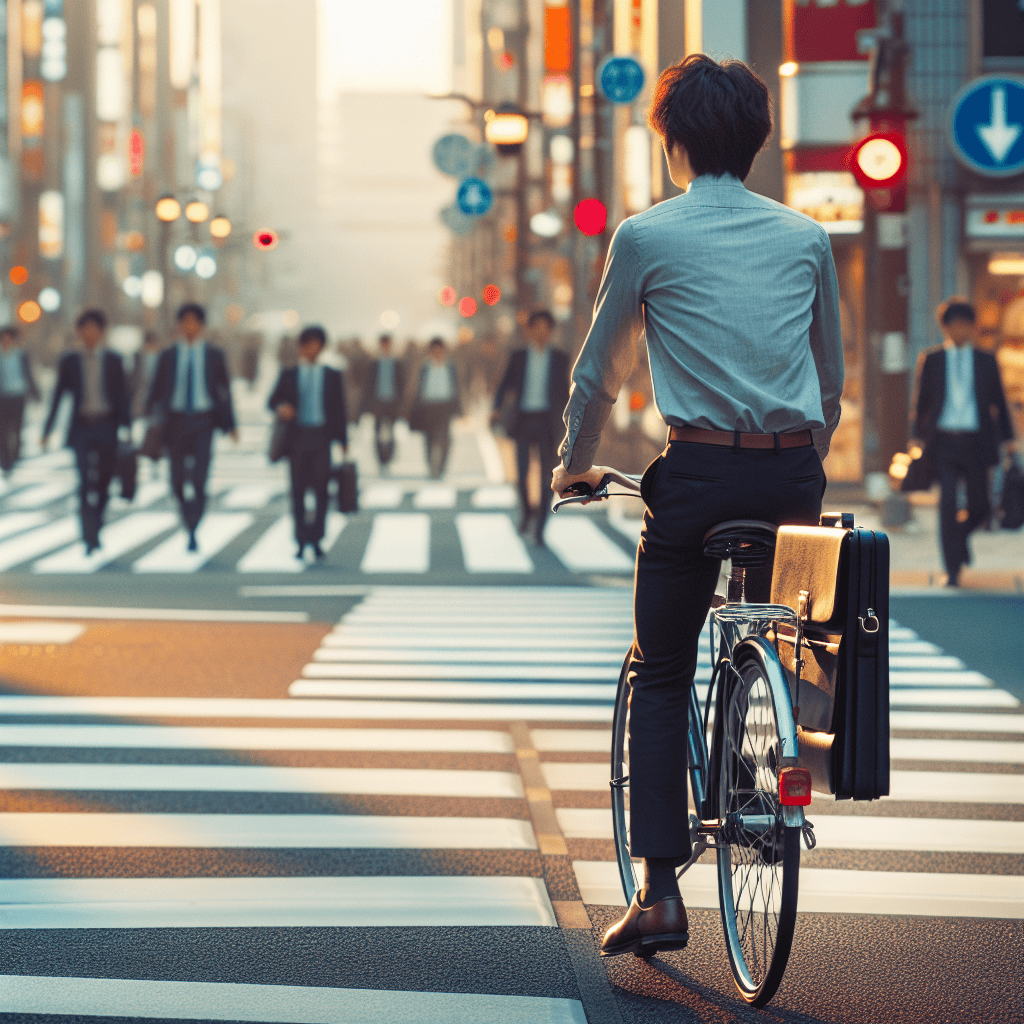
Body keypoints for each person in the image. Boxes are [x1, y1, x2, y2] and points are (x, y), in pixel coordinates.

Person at [550, 54, 843, 957]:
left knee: (662, 668)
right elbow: (829, 382)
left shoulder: (647, 237)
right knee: (777, 631)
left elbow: (600, 372)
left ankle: (662, 891)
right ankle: (766, 743)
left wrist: (575, 466)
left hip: (698, 478)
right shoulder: (806, 237)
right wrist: (801, 457)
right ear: (756, 143)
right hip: (792, 478)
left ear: (672, 142)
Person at [912, 299, 1014, 586]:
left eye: (964, 325)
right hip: (942, 442)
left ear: (972, 327)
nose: (959, 331)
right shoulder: (932, 359)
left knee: (981, 507)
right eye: (953, 326)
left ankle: (960, 540)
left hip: (976, 442)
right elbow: (921, 404)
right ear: (944, 327)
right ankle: (953, 569)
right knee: (946, 505)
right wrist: (916, 440)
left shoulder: (986, 360)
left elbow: (999, 404)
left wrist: (1009, 441)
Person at [146, 303, 237, 551]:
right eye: (184, 321)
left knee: (199, 478)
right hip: (174, 422)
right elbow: (155, 390)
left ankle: (193, 523)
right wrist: (148, 418)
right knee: (176, 480)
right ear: (178, 325)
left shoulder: (213, 354)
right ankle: (186, 515)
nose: (189, 326)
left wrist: (232, 424)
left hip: (203, 421)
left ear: (201, 325)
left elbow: (224, 390)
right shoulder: (168, 355)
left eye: (194, 322)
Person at [41, 309, 130, 553]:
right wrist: (47, 429)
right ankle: (87, 532)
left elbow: (123, 396)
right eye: (85, 329)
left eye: (95, 329)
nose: (90, 333)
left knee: (103, 480)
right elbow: (58, 395)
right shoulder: (70, 360)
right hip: (81, 427)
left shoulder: (113, 359)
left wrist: (127, 427)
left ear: (101, 332)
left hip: (106, 425)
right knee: (83, 480)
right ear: (79, 332)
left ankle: (97, 523)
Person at [268, 324, 348, 560]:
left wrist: (343, 440)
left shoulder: (332, 376)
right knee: (298, 491)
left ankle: (318, 538)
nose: (310, 349)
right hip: (297, 439)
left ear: (321, 348)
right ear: (300, 348)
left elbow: (339, 410)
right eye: (306, 345)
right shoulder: (289, 374)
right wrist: (281, 407)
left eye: (315, 345)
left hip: (322, 438)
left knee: (322, 491)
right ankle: (301, 539)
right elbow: (272, 400)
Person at [492, 310, 570, 544]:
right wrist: (496, 408)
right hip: (523, 420)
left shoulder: (560, 358)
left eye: (546, 327)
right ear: (529, 330)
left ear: (551, 330)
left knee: (547, 475)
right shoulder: (518, 356)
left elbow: (566, 391)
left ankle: (541, 527)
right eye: (537, 327)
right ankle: (527, 512)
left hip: (547, 421)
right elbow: (504, 383)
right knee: (522, 472)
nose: (541, 331)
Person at [411, 336, 460, 479]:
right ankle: (430, 466)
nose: (437, 353)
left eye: (440, 350)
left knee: (444, 438)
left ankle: (442, 466)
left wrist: (458, 407)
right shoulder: (424, 367)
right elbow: (418, 387)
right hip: (428, 406)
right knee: (429, 438)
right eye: (434, 351)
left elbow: (457, 387)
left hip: (445, 406)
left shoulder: (450, 366)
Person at [0, 325, 41, 475]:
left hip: (18, 396)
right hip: (2, 397)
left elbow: (28, 374)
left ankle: (16, 454)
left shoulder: (21, 355)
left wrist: (36, 393)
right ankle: (5, 459)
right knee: (3, 429)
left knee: (17, 427)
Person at [362, 333, 405, 470]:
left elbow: (401, 384)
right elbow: (369, 385)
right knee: (377, 432)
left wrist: (402, 403)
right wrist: (367, 405)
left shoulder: (397, 363)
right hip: (378, 402)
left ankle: (389, 456)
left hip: (392, 402)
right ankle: (380, 458)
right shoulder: (374, 363)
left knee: (391, 431)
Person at [130, 331, 163, 420]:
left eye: (153, 343)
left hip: (156, 397)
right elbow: (132, 377)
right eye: (149, 343)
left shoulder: (161, 358)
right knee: (138, 421)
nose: (151, 345)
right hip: (140, 395)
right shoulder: (137, 357)